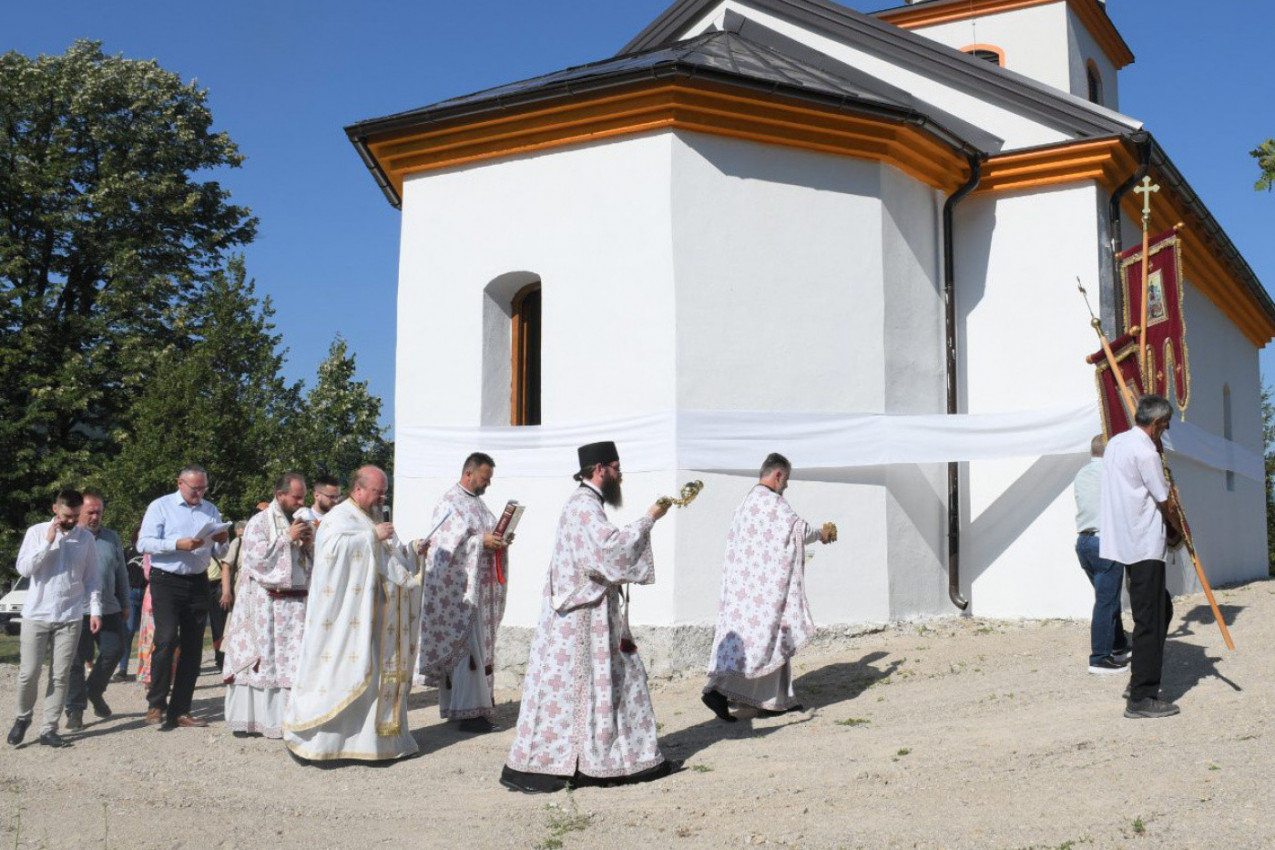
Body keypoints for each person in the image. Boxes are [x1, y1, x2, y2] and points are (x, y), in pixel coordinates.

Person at [502, 441, 674, 793]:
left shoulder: (584, 505)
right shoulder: (583, 507)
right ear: (599, 470)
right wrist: (649, 518)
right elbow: (608, 550)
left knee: (587, 691)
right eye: (616, 466)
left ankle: (594, 760)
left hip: (579, 615)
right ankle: (582, 763)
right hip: (583, 621)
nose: (620, 474)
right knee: (591, 689)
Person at [283, 465, 424, 763]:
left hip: (378, 621)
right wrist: (370, 537)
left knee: (374, 681)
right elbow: (331, 553)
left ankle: (375, 746)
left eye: (384, 491)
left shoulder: (373, 518)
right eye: (377, 491)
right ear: (358, 489)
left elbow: (391, 557)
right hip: (346, 622)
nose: (382, 497)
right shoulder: (339, 517)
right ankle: (321, 744)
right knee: (341, 675)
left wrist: (412, 549)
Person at [701, 454, 834, 723]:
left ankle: (775, 700)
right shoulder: (773, 504)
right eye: (786, 480)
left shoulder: (747, 502)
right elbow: (798, 530)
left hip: (744, 590)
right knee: (766, 640)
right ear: (779, 475)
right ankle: (716, 690)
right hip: (765, 591)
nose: (786, 487)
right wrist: (822, 533)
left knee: (759, 642)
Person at [1099, 394, 1183, 720]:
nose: (1165, 430)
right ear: (1157, 423)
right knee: (1150, 620)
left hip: (1125, 539)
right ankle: (1142, 696)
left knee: (1161, 609)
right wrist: (1181, 529)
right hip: (1144, 543)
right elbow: (1163, 498)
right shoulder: (1146, 450)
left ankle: (1138, 679)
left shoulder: (1116, 443)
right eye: (1166, 425)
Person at [417, 452, 510, 733]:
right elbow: (444, 547)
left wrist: (499, 539)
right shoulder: (450, 503)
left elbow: (483, 535)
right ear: (469, 474)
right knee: (467, 651)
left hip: (479, 589)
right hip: (459, 594)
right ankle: (469, 716)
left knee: (477, 649)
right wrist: (481, 541)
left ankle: (470, 709)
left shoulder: (478, 504)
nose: (488, 484)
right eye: (485, 478)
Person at [137, 464, 230, 729]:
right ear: (180, 483)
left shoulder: (210, 510)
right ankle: (156, 702)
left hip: (198, 581)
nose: (199, 493)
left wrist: (222, 540)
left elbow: (222, 554)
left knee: (193, 647)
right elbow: (143, 543)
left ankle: (180, 709)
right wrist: (177, 544)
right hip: (166, 580)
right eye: (194, 488)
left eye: (203, 488)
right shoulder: (161, 506)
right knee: (166, 639)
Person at [8, 489, 102, 748]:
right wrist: (47, 542)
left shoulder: (86, 539)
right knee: (28, 673)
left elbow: (93, 578)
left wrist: (95, 610)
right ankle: (22, 718)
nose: (70, 521)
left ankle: (50, 728)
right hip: (37, 614)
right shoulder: (37, 532)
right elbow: (24, 569)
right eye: (65, 516)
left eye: (74, 516)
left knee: (60, 676)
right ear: (54, 510)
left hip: (70, 616)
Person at [222, 473, 313, 738]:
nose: (300, 501)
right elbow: (255, 560)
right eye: (296, 496)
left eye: (303, 496)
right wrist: (286, 537)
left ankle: (290, 720)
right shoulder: (258, 523)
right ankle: (252, 721)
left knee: (292, 662)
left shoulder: (300, 522)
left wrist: (308, 545)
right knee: (263, 661)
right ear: (280, 494)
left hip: (295, 605)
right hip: (265, 604)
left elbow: (310, 563)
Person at [65, 491, 131, 731]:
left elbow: (121, 572)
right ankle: (74, 710)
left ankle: (94, 690)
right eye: (89, 512)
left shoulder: (111, 537)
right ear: (78, 513)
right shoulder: (69, 537)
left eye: (98, 512)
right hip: (75, 610)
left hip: (108, 607)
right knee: (75, 662)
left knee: (115, 650)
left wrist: (125, 602)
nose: (95, 517)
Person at [1073, 434, 1131, 675]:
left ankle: (1118, 645)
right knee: (1106, 601)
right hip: (1105, 542)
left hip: (1084, 541)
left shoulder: (1082, 473)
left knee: (1108, 597)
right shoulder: (1112, 474)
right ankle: (1100, 657)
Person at [207, 520, 246, 670]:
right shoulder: (206, 548)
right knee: (216, 624)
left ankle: (223, 656)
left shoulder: (223, 547)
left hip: (218, 585)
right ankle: (220, 655)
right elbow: (226, 566)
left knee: (222, 624)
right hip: (208, 585)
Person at [113, 527, 147, 682]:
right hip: (132, 593)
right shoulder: (128, 551)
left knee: (149, 633)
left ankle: (148, 668)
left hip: (149, 594)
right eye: (141, 530)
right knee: (128, 631)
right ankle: (122, 669)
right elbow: (119, 574)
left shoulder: (153, 551)